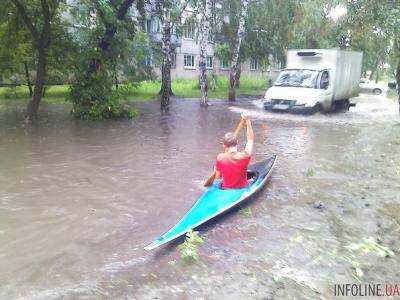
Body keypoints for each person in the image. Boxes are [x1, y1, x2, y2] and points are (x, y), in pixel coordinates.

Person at [206, 114, 254, 189]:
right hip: (242, 188)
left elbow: (218, 177)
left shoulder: (220, 157)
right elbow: (250, 139)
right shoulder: (245, 156)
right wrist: (248, 121)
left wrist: (216, 169)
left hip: (226, 188)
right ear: (237, 142)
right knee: (251, 180)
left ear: (224, 146)